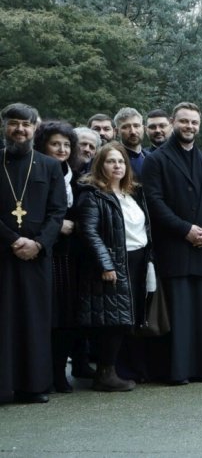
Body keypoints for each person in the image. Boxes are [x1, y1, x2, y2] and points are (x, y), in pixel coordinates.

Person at [140, 102, 202, 385]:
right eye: (184, 122)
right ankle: (176, 371)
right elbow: (154, 202)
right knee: (177, 312)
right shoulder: (156, 160)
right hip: (174, 247)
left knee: (201, 311)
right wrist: (185, 229)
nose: (189, 127)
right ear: (173, 123)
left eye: (194, 123)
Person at [1, 103, 68, 404]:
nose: (20, 129)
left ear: (34, 128)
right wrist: (13, 240)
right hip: (3, 254)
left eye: (26, 125)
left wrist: (39, 244)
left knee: (34, 319)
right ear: (4, 126)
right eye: (14, 123)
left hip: (37, 257)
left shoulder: (49, 166)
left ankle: (33, 385)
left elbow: (58, 212)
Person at [75, 142, 150, 392]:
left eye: (120, 161)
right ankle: (105, 374)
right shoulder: (93, 194)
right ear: (100, 165)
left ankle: (125, 369)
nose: (117, 166)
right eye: (110, 161)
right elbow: (89, 232)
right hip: (113, 263)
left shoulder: (132, 193)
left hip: (137, 260)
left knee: (129, 318)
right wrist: (106, 264)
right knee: (113, 321)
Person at [33, 121, 89, 392]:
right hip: (46, 253)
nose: (62, 149)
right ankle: (43, 374)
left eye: (67, 145)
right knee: (47, 316)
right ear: (43, 144)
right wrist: (58, 227)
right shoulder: (35, 171)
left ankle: (59, 373)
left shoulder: (76, 175)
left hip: (72, 255)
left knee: (68, 316)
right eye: (56, 144)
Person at [114, 108, 148, 177]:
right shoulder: (111, 158)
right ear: (117, 131)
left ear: (143, 128)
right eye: (125, 127)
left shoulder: (151, 158)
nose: (133, 131)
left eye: (136, 126)